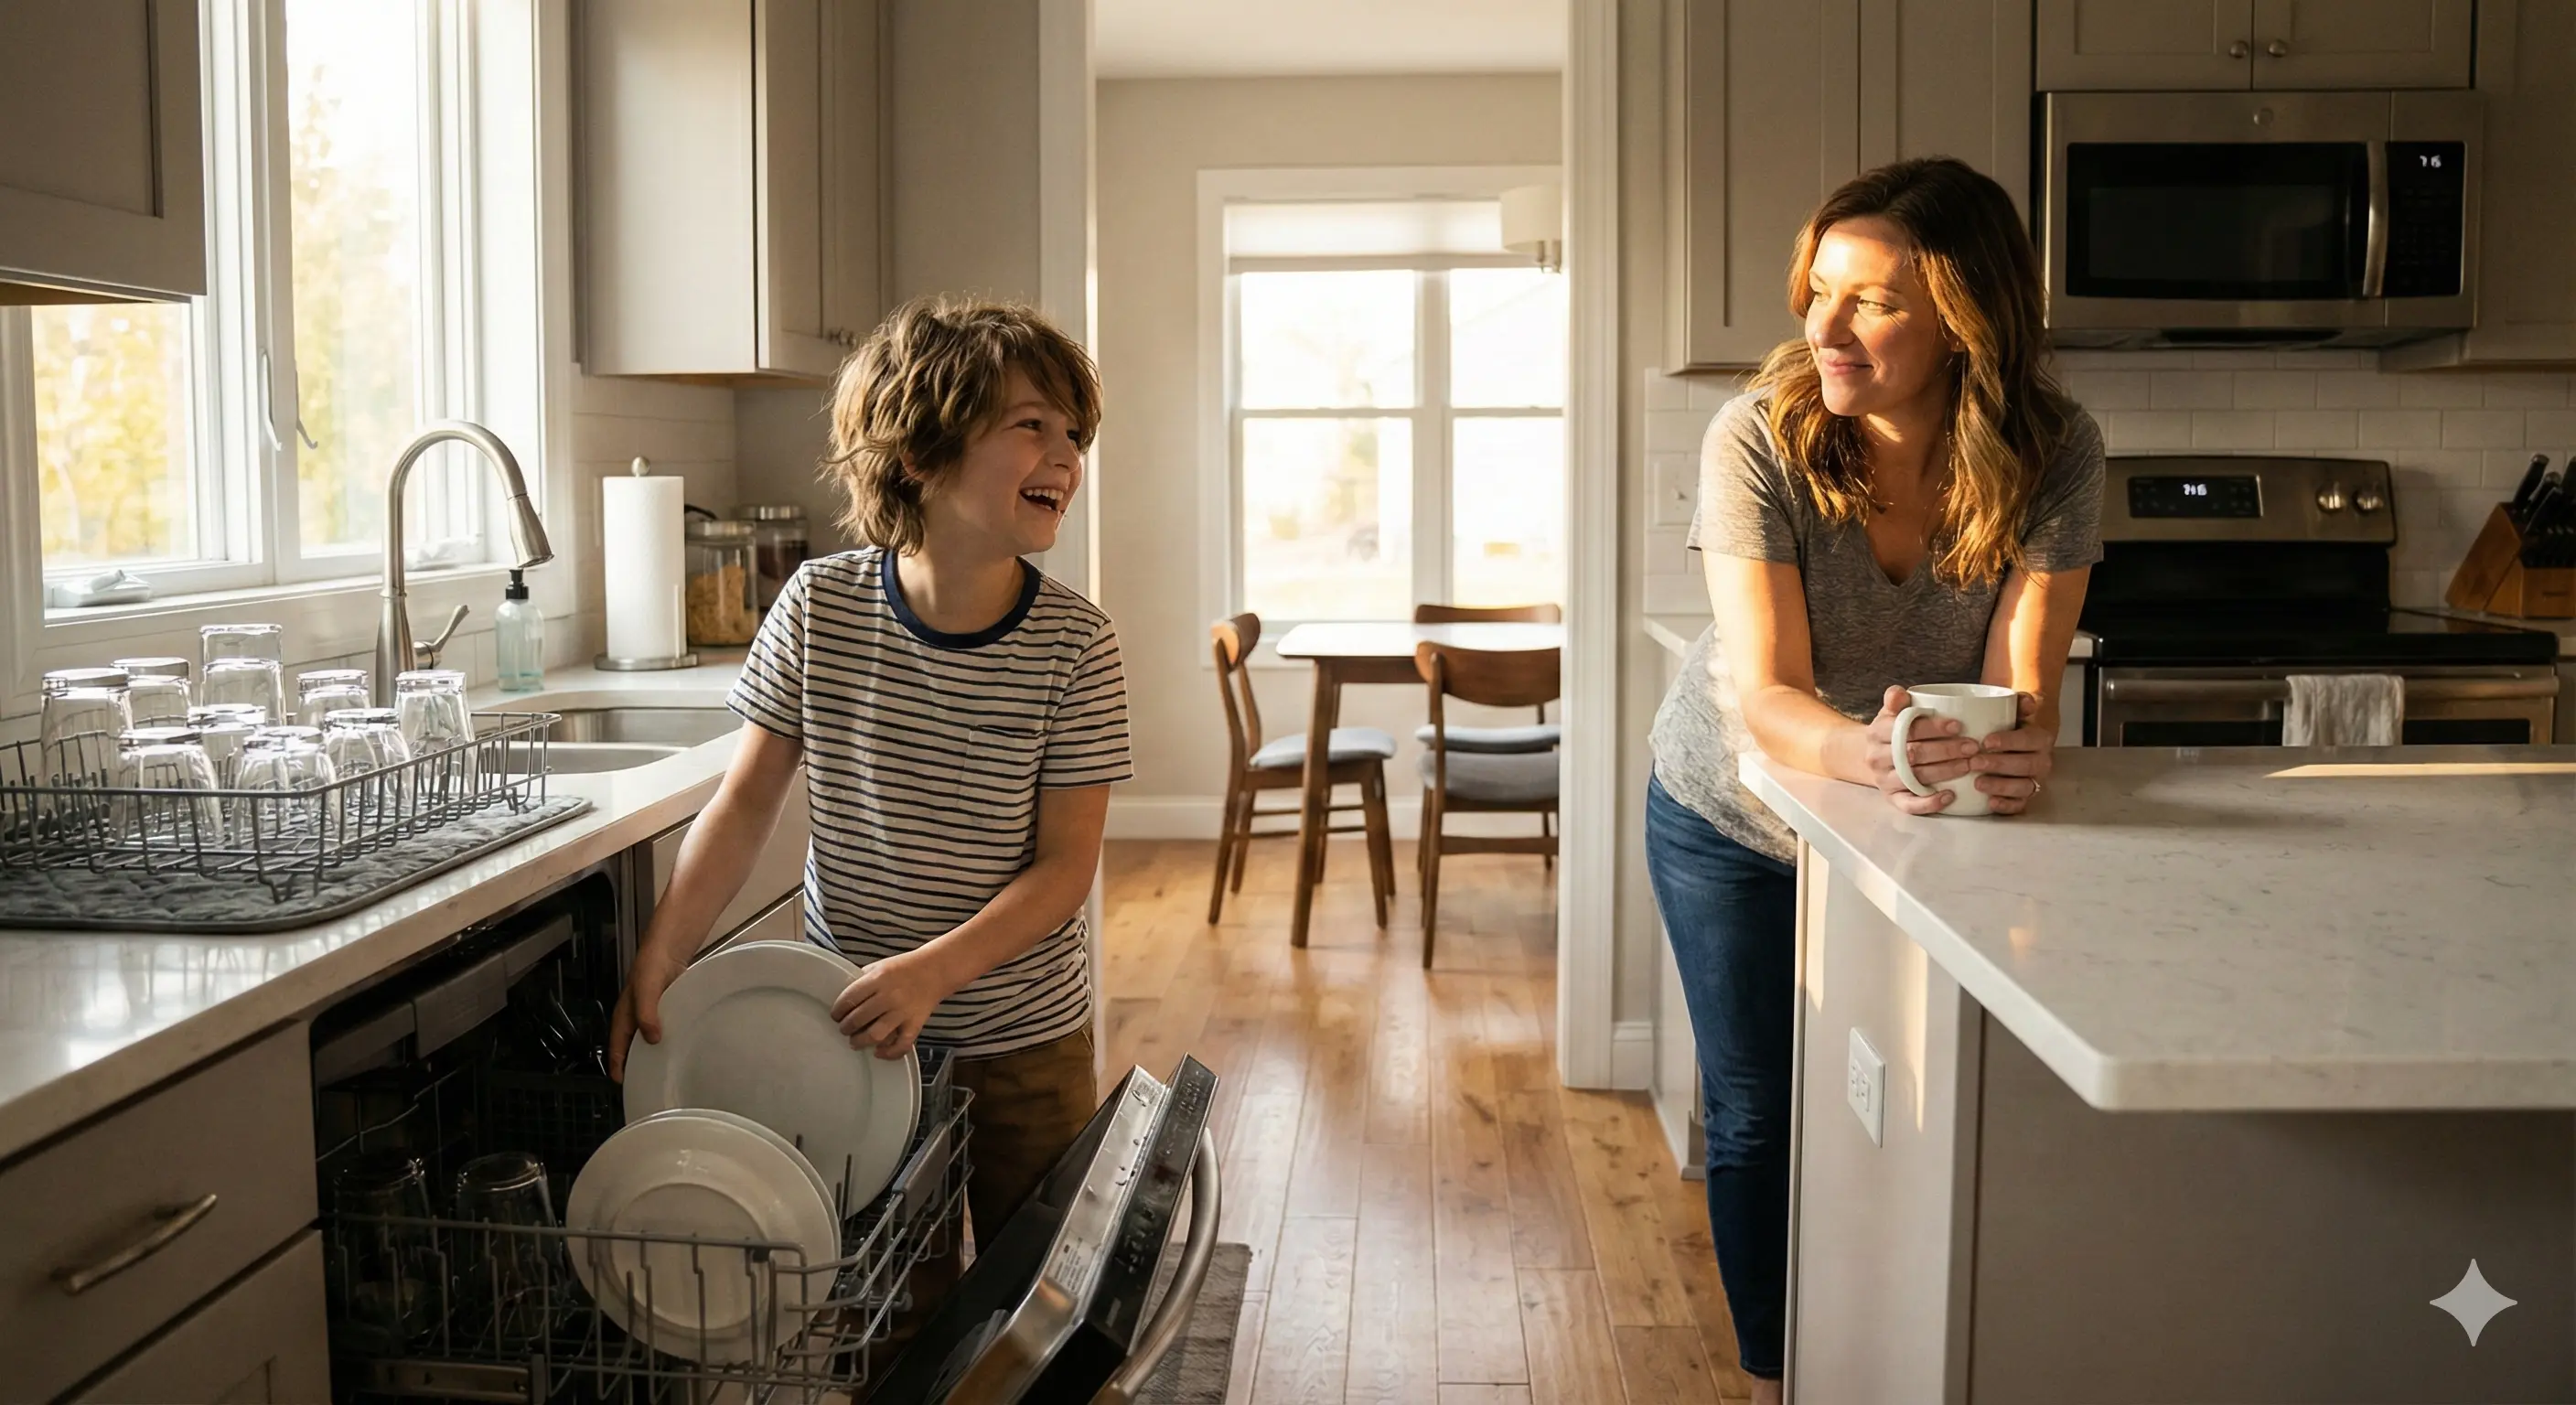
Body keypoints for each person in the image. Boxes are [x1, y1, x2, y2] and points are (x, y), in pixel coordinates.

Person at [1646, 157, 2103, 1397]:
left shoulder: (2054, 448)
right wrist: (1874, 750)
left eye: (1874, 301)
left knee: (1919, 1104)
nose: (1825, 327)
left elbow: (2021, 683)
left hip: (1914, 821)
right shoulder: (1758, 434)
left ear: (1964, 321)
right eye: (1819, 290)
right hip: (1733, 815)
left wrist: (2019, 744)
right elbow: (1764, 695)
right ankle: (1775, 1377)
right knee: (1758, 1110)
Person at [609, 295, 1132, 1290]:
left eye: (1075, 434)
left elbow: (1067, 868)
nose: (1066, 457)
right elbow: (744, 805)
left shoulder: (1076, 643)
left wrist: (931, 973)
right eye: (1032, 426)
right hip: (848, 1037)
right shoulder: (819, 607)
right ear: (920, 455)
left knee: (1041, 1293)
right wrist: (664, 955)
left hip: (1024, 1040)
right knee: (886, 1303)